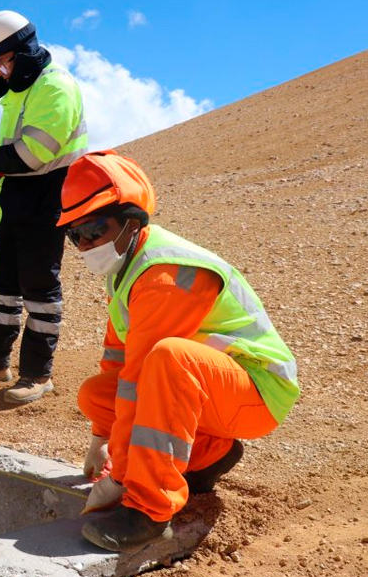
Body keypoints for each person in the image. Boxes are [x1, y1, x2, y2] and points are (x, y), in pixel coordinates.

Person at [58, 151, 300, 552]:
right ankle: (208, 455)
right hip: (213, 389)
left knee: (170, 358)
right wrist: (99, 439)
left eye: (95, 229)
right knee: (97, 393)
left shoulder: (165, 273)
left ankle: (149, 511)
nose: (85, 244)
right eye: (75, 235)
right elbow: (118, 360)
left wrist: (119, 477)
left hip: (256, 391)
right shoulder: (125, 266)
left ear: (132, 222)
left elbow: (139, 381)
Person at [0, 10, 88, 404]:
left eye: (1, 61)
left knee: (39, 284)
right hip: (18, 196)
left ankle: (37, 374)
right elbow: (15, 155)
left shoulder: (55, 86)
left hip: (49, 195)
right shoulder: (22, 88)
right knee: (4, 283)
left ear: (22, 53)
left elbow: (35, 152)